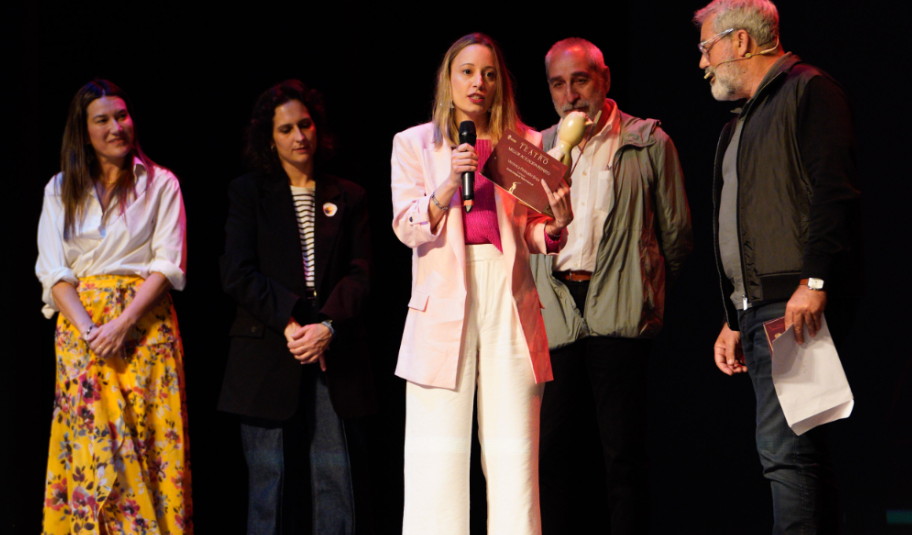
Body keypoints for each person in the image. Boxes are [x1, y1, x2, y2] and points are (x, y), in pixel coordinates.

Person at [390, 32, 574, 535]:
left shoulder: (526, 143)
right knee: (436, 456)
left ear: (500, 84)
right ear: (448, 80)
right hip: (442, 300)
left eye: (489, 73)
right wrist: (449, 181)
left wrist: (554, 227)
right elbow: (407, 227)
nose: (479, 82)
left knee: (515, 453)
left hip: (507, 297)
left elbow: (530, 233)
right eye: (468, 71)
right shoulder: (414, 144)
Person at [696, 0, 862, 533]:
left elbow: (831, 193)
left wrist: (814, 280)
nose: (702, 64)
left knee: (786, 454)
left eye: (707, 49)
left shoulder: (808, 90)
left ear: (739, 40)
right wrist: (730, 313)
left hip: (792, 305)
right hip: (758, 309)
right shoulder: (737, 125)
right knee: (796, 457)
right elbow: (742, 221)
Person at [532, 38, 693, 535]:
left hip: (618, 311)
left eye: (580, 80)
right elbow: (521, 237)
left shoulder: (646, 141)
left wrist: (644, 288)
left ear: (603, 79)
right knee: (553, 451)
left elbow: (677, 234)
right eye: (558, 84)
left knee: (622, 453)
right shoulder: (536, 148)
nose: (570, 94)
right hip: (556, 312)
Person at [219, 79, 376, 535]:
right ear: (270, 139)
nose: (299, 136)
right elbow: (236, 272)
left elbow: (361, 274)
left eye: (304, 124)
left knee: (336, 481)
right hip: (270, 346)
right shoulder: (247, 193)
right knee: (269, 483)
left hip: (333, 350)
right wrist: (291, 322)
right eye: (285, 129)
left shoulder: (349, 194)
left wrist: (327, 325)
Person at [36, 79, 192, 534]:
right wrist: (91, 331)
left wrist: (122, 324)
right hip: (81, 331)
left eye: (121, 116)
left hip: (145, 327)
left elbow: (168, 263)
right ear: (83, 131)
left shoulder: (161, 183)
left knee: (149, 444)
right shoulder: (59, 188)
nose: (116, 127)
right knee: (94, 448)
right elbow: (53, 271)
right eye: (102, 119)